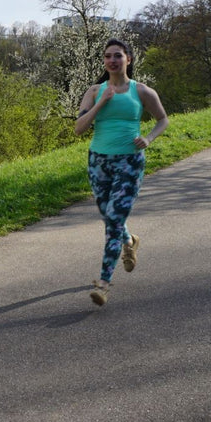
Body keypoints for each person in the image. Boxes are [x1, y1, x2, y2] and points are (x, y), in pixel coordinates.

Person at [72, 37, 169, 306]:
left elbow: (163, 119)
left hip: (129, 162)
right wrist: (102, 102)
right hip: (98, 162)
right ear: (104, 61)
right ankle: (130, 240)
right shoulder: (94, 91)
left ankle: (103, 283)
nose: (112, 60)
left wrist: (148, 139)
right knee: (109, 216)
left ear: (129, 59)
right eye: (108, 56)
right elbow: (79, 128)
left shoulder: (142, 91)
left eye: (118, 55)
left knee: (113, 220)